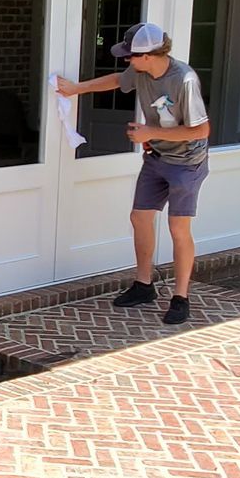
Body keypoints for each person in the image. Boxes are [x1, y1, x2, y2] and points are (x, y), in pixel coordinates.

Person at [54, 22, 210, 325]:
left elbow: (201, 129)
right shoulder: (141, 72)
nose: (127, 61)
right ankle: (143, 285)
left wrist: (149, 131)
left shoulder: (184, 80)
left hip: (186, 163)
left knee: (178, 228)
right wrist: (77, 88)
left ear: (149, 55)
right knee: (140, 217)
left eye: (130, 56)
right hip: (157, 158)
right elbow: (117, 80)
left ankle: (180, 298)